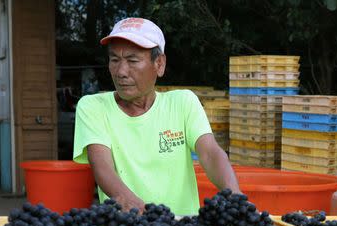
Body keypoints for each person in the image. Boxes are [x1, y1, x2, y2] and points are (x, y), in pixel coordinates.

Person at [72, 17, 240, 215]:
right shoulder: (93, 107)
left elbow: (210, 154)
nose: (121, 71)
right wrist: (145, 215)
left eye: (133, 60)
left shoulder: (183, 103)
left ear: (159, 64)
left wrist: (235, 197)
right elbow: (102, 167)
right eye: (115, 60)